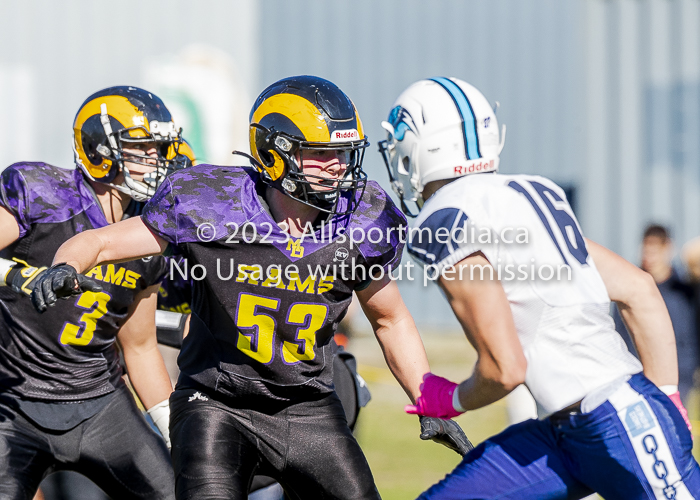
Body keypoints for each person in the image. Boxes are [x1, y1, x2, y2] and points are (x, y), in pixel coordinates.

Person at [31, 75, 471, 500]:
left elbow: (390, 319)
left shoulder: (360, 217)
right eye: (321, 154)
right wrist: (66, 265)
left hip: (306, 404)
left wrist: (426, 396)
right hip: (215, 402)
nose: (338, 168)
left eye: (343, 153)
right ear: (275, 154)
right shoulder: (211, 202)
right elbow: (103, 240)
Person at [378, 77, 699, 499]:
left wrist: (451, 399)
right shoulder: (532, 191)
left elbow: (505, 369)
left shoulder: (443, 222)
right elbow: (639, 289)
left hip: (615, 419)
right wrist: (669, 397)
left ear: (422, 147)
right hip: (563, 435)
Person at [0, 86, 189, 500]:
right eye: (143, 148)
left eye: (160, 148)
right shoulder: (43, 195)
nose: (157, 159)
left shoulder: (149, 233)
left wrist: (179, 432)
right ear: (100, 150)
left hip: (99, 403)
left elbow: (139, 348)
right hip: (13, 402)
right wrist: (14, 276)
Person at [614, 224, 699, 406]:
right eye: (647, 250)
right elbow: (618, 335)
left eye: (655, 251)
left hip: (679, 376)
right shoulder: (629, 289)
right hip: (636, 375)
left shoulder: (685, 290)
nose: (649, 257)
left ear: (668, 249)